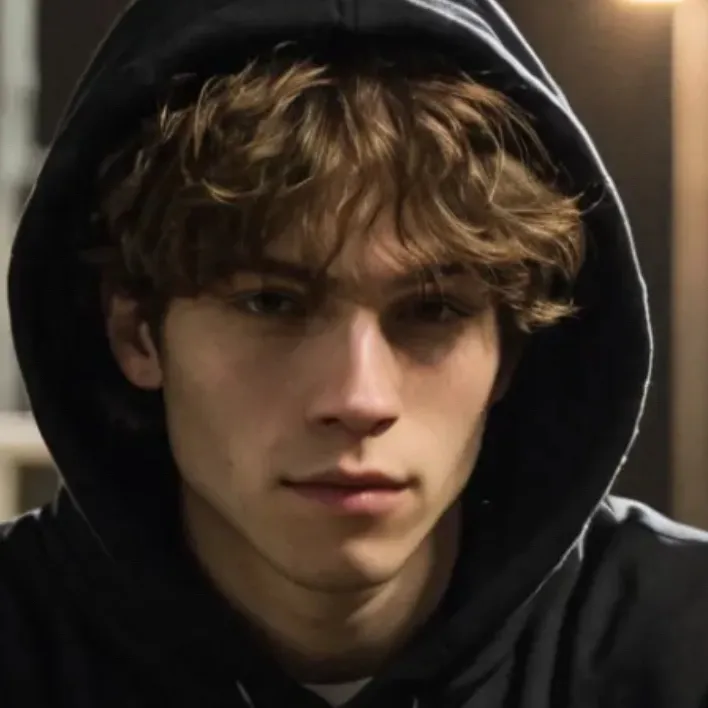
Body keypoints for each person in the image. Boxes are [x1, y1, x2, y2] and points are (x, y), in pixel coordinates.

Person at [1, 0, 707, 706]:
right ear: (137, 332)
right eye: (271, 303)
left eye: (432, 311)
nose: (358, 398)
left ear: (510, 353)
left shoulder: (682, 642)